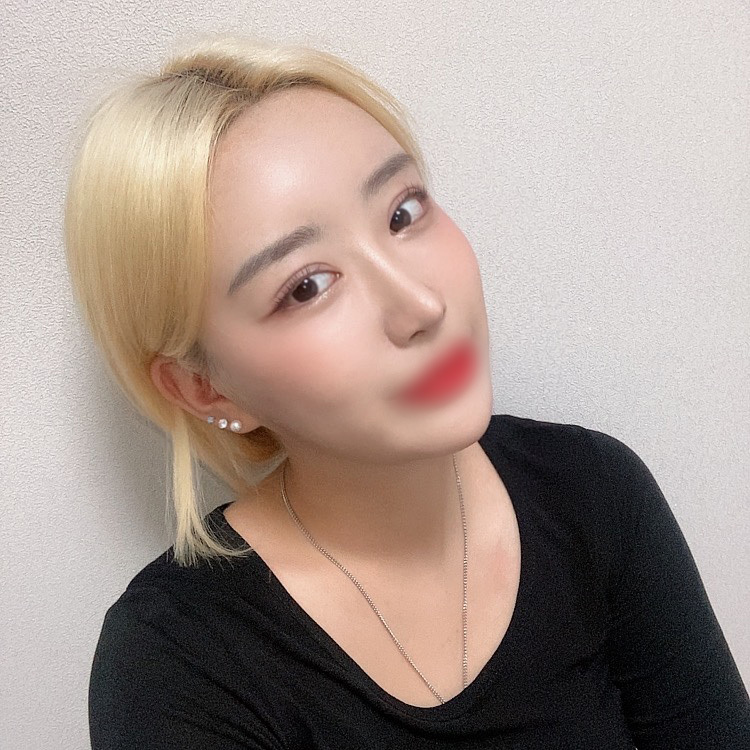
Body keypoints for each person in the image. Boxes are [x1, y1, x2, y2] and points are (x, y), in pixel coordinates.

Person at [64, 32, 750, 749]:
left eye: (402, 213)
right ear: (205, 389)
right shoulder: (179, 665)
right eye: (307, 286)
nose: (421, 305)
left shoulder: (595, 495)